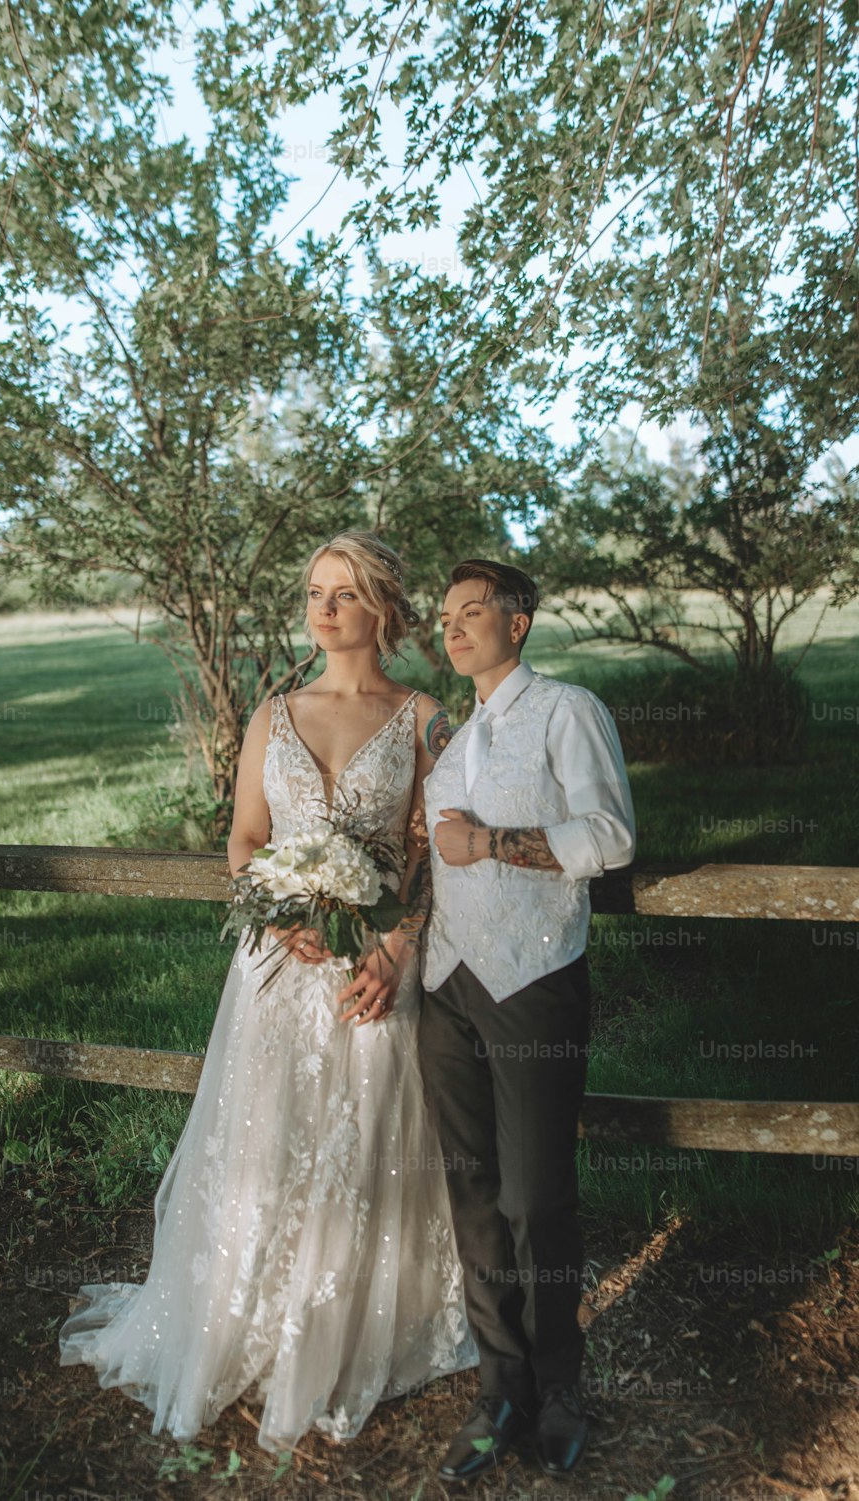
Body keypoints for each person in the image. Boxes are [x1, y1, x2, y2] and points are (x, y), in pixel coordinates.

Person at [58, 530, 477, 1453]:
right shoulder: (272, 715)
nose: (324, 608)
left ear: (383, 609)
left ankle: (347, 1322)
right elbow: (245, 841)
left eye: (345, 592)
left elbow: (433, 855)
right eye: (316, 590)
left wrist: (395, 950)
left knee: (360, 1136)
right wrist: (278, 908)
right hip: (275, 967)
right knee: (263, 1133)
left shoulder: (424, 720)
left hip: (374, 967)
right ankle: (245, 1312)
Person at [418, 558, 637, 1483]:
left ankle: (558, 1389)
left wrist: (493, 844)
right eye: (445, 616)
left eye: (475, 612)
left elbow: (612, 835)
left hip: (536, 982)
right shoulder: (453, 736)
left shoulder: (567, 711)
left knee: (535, 1197)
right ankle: (497, 1388)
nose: (455, 627)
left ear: (520, 624)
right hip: (447, 986)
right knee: (471, 1196)